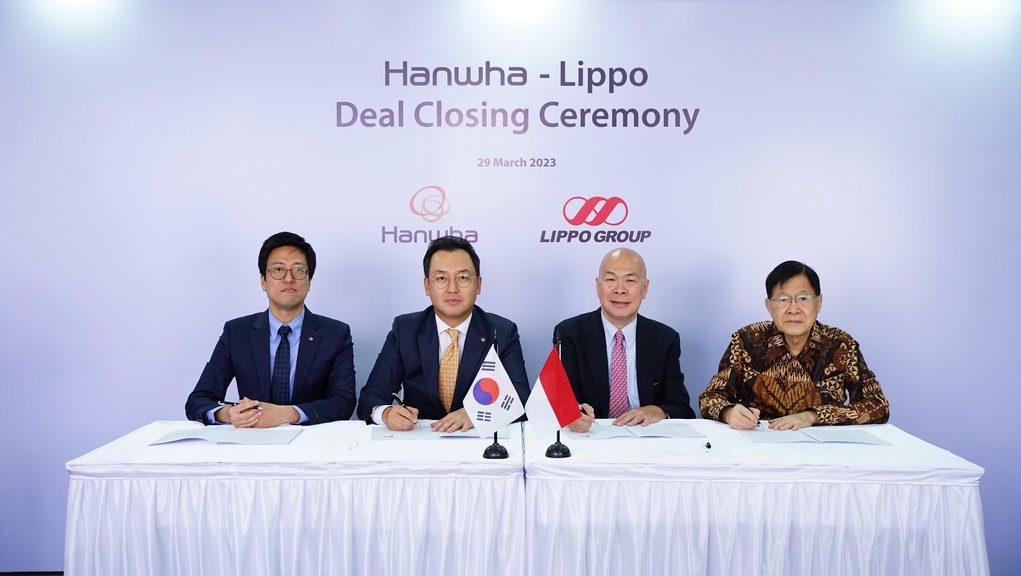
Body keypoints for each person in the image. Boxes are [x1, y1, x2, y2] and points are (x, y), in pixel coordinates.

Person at [357, 236, 530, 432]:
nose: (452, 289)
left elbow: (521, 399)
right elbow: (370, 397)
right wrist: (386, 413)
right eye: (441, 278)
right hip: (420, 441)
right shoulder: (404, 330)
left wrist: (475, 413)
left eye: (463, 278)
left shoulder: (503, 332)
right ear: (427, 286)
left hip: (478, 441)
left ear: (478, 284)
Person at [185, 232, 357, 427]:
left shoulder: (335, 334)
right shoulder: (237, 332)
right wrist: (229, 414)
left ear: (309, 281)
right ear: (263, 281)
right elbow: (198, 400)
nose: (288, 278)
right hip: (252, 439)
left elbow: (344, 402)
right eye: (278, 269)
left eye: (299, 270)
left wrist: (287, 414)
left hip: (311, 440)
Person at [700, 260, 890, 431]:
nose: (793, 309)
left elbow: (877, 406)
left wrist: (812, 416)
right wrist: (728, 412)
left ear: (819, 302)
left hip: (824, 450)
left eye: (803, 298)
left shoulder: (840, 345)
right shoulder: (747, 340)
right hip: (760, 444)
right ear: (769, 306)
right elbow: (710, 397)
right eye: (783, 300)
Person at [555, 247, 695, 433]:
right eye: (611, 279)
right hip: (592, 435)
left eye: (630, 280)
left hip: (646, 437)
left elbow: (682, 408)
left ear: (645, 288)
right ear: (598, 286)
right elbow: (559, 400)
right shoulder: (569, 333)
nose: (620, 290)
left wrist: (658, 411)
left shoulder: (665, 339)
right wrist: (572, 413)